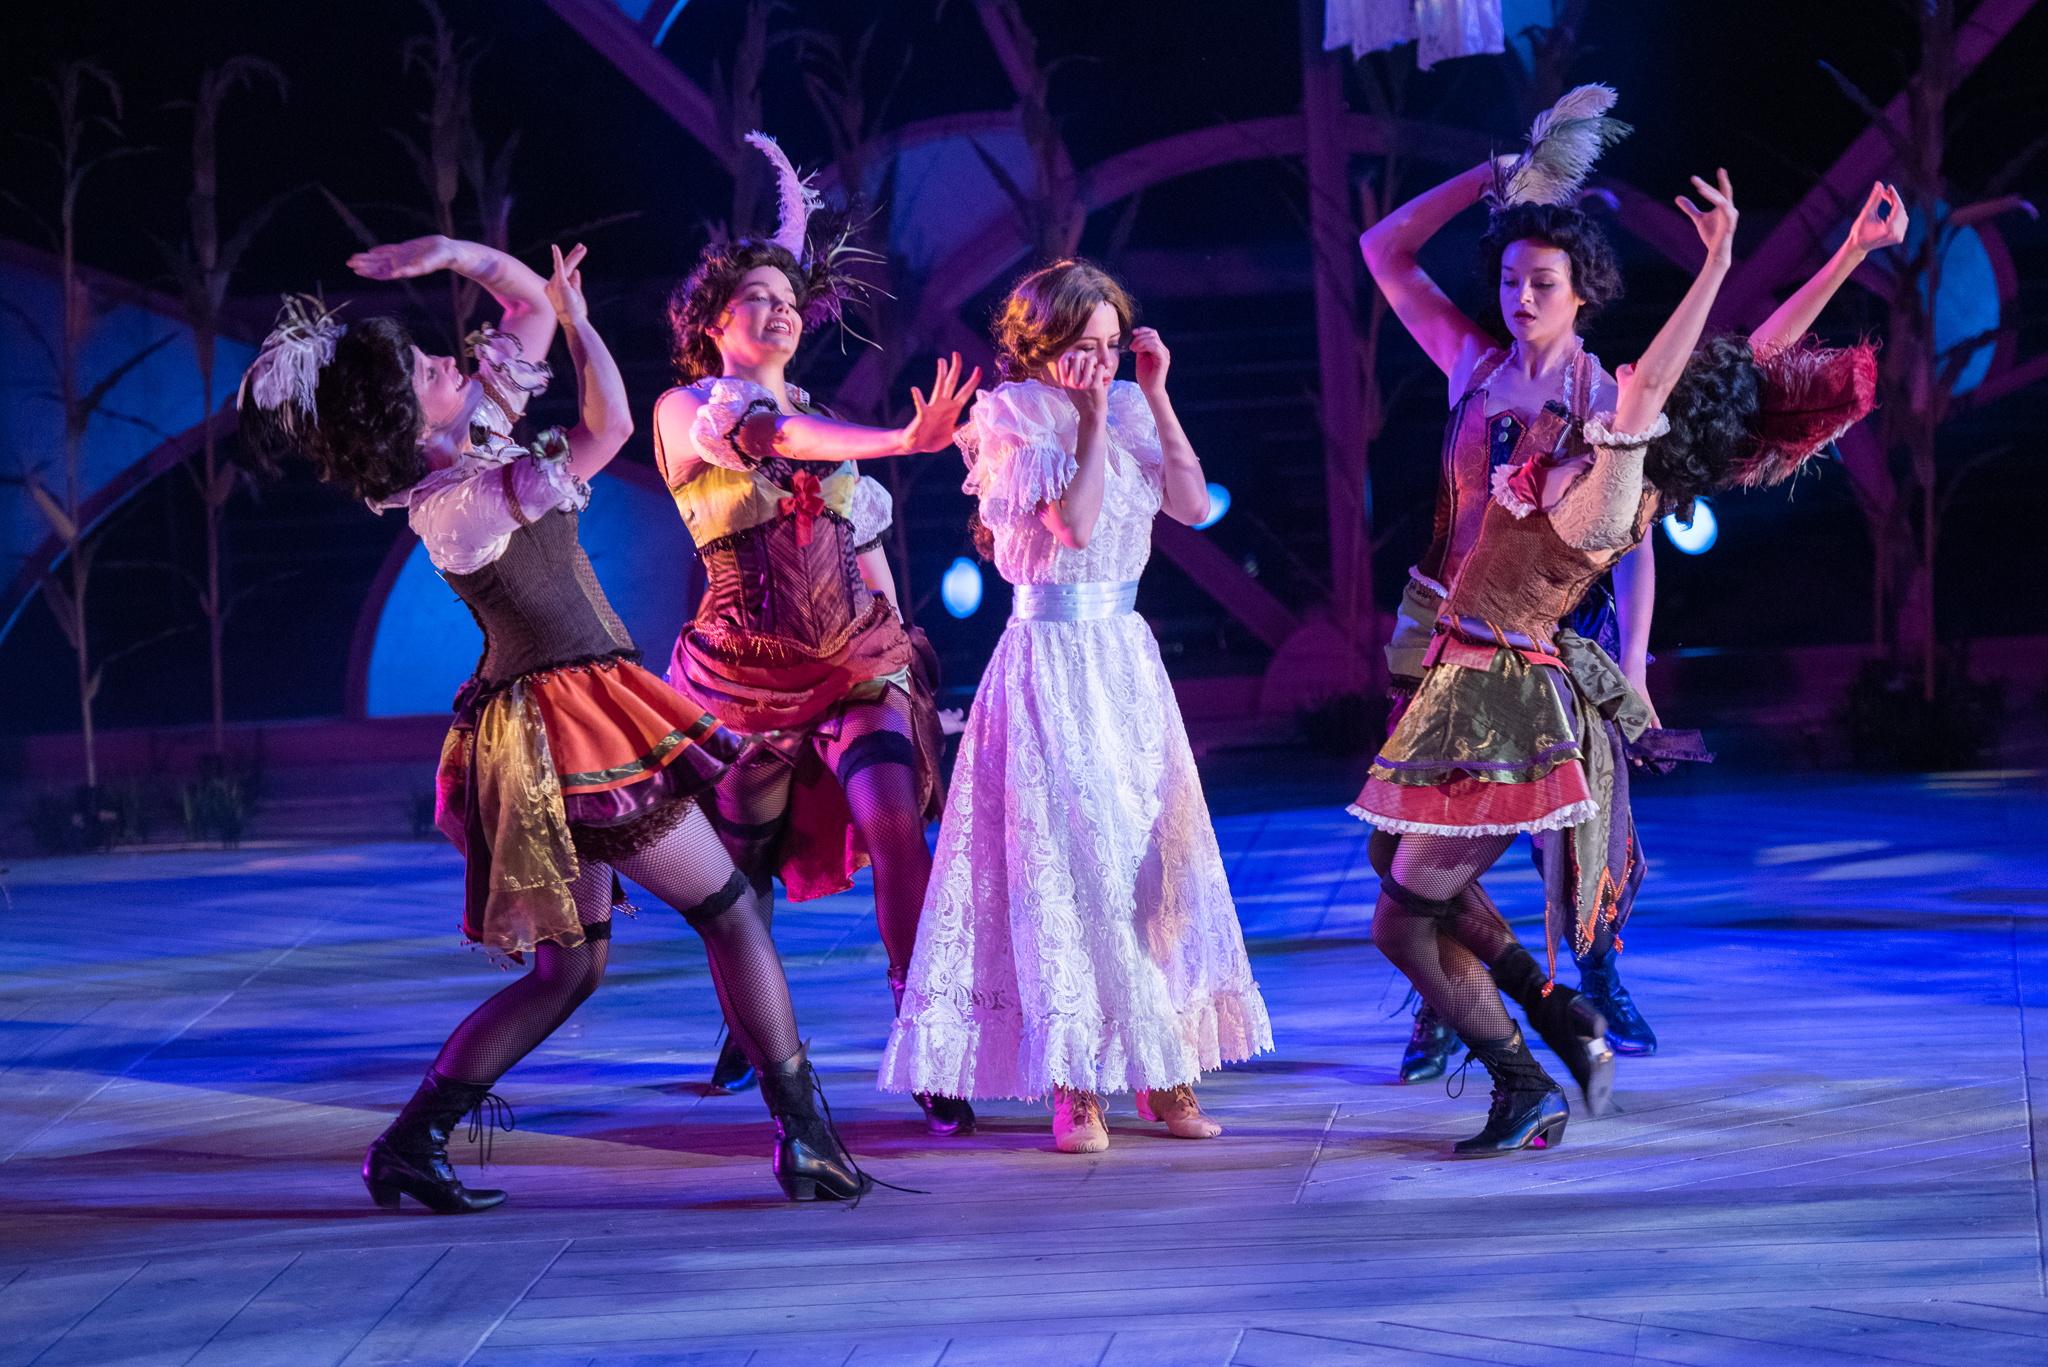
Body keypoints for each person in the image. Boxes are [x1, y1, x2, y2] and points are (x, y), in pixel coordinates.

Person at [238, 234, 870, 1207]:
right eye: (429, 370)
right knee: (729, 909)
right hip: (566, 728)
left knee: (568, 969)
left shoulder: (471, 443)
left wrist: (450, 253)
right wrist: (577, 324)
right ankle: (808, 1138)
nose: (453, 361)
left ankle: (411, 1142)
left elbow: (526, 304)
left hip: (554, 724)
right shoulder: (458, 500)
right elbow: (606, 423)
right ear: (408, 416)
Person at [1353, 86, 1880, 1155]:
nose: (1518, 297)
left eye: (1540, 282)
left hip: (1510, 679)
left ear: (1583, 297)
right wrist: (1845, 257)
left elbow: (1708, 365)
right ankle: (1556, 1024)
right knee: (1402, 873)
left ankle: (1524, 1065)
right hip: (1457, 658)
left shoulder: (1613, 426)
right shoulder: (1509, 385)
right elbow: (1745, 366)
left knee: (1413, 903)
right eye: (1509, 280)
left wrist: (1726, 262)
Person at [878, 260, 1274, 1153]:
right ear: (1041, 345)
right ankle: (1075, 1081)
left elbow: (1190, 504)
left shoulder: (1129, 404)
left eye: (1110, 345)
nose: (1100, 362)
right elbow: (1076, 526)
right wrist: (1092, 420)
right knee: (1065, 865)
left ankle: (1163, 1065)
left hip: (1123, 661)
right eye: (1082, 345)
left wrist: (1154, 395)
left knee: (1146, 858)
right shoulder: (1011, 417)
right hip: (1049, 660)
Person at [652, 133, 979, 1136]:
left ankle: (925, 1038)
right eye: (754, 297)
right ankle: (749, 1019)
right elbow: (770, 435)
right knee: (740, 868)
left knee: (895, 825)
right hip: (743, 673)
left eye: (788, 297)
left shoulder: (824, 420)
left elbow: (857, 536)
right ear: (711, 322)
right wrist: (899, 437)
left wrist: (902, 644)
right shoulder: (689, 412)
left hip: (853, 661)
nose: (778, 309)